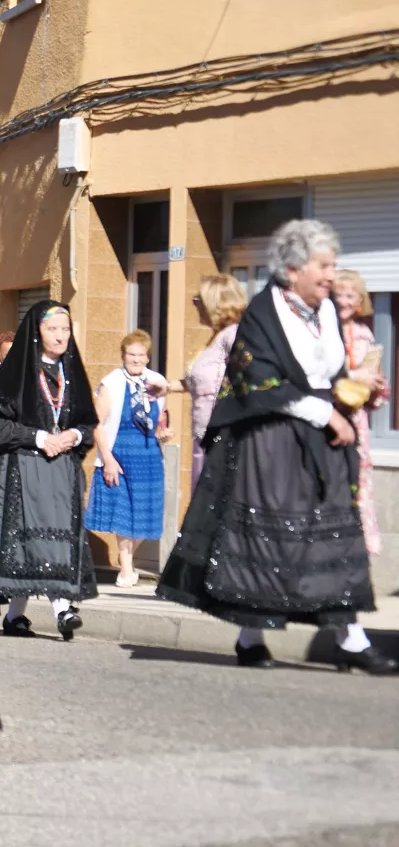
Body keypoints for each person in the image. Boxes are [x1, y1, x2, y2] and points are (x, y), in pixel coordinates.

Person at [158, 221, 393, 673]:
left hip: (321, 445)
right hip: (271, 444)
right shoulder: (264, 313)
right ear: (292, 268)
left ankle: (346, 639)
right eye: (322, 265)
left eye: (332, 265)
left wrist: (355, 383)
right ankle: (259, 638)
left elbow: (325, 374)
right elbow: (261, 383)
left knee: (330, 543)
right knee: (269, 545)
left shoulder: (323, 311)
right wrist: (327, 413)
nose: (330, 274)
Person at [0, 301, 98, 641]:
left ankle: (16, 617)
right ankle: (62, 609)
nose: (61, 336)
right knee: (31, 544)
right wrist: (39, 436)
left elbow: (87, 423)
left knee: (52, 543)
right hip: (25, 470)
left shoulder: (72, 373)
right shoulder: (17, 374)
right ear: (37, 332)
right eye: (53, 329)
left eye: (65, 329)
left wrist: (74, 435)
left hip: (62, 472)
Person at [86, 331, 170, 588]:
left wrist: (163, 432)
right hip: (120, 454)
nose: (136, 359)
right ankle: (125, 568)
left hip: (149, 456)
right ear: (123, 355)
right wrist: (108, 460)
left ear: (148, 356)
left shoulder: (157, 381)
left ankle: (128, 560)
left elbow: (161, 418)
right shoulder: (110, 383)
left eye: (141, 355)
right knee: (124, 512)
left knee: (146, 514)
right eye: (131, 354)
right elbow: (96, 425)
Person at [334, 269, 389, 557]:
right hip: (327, 418)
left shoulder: (364, 333)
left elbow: (374, 393)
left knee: (357, 484)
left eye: (350, 295)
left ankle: (355, 552)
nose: (343, 300)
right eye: (338, 294)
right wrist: (353, 376)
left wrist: (377, 386)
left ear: (359, 300)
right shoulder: (320, 329)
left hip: (357, 423)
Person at [180, 274, 247, 483]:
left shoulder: (232, 335)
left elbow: (245, 377)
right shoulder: (216, 337)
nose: (196, 305)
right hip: (204, 435)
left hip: (220, 436)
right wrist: (166, 386)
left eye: (199, 299)